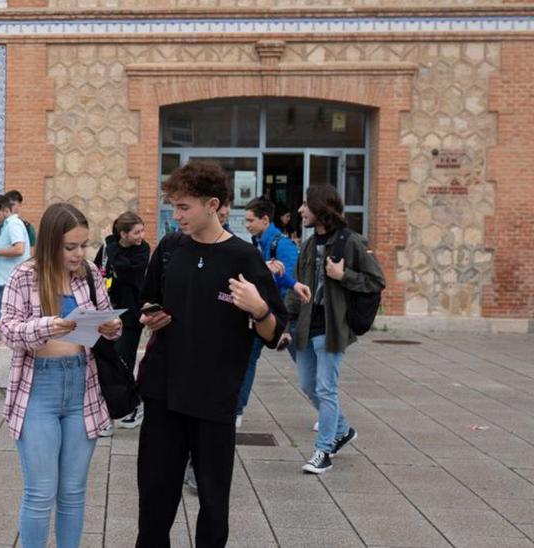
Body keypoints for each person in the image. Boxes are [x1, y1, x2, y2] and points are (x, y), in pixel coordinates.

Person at [134, 161, 286, 547]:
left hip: (214, 398)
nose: (176, 215)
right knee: (154, 501)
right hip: (164, 392)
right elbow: (147, 300)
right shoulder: (170, 249)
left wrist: (258, 308)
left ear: (212, 204)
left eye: (184, 207)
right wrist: (151, 316)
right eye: (173, 206)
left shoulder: (243, 258)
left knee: (214, 504)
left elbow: (274, 333)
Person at [0, 203, 122, 548]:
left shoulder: (91, 274)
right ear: (52, 243)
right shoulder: (25, 275)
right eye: (70, 247)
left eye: (83, 245)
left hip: (83, 384)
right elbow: (6, 331)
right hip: (39, 387)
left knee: (73, 491)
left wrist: (112, 326)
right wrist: (48, 326)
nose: (79, 254)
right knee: (40, 492)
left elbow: (105, 328)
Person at [287, 184, 385, 474]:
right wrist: (286, 322)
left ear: (320, 209)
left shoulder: (350, 242)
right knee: (308, 384)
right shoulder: (307, 244)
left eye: (305, 205)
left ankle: (323, 450)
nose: (300, 210)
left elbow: (376, 281)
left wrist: (344, 276)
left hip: (332, 328)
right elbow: (297, 287)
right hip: (305, 326)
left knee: (326, 388)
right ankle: (342, 430)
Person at [238, 197, 306, 428]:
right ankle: (237, 410)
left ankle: (331, 415)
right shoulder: (259, 242)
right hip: (261, 313)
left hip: (278, 317)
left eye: (250, 220)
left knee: (307, 367)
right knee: (248, 359)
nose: (247, 225)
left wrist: (284, 327)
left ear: (265, 220)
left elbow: (291, 285)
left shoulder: (281, 245)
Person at [92, 212, 150, 429]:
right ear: (123, 234)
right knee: (106, 363)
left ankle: (134, 405)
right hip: (107, 313)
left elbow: (126, 272)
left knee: (123, 363)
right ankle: (107, 411)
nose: (141, 235)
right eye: (137, 232)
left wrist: (110, 243)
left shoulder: (142, 249)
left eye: (142, 230)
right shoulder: (109, 249)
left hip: (130, 317)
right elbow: (99, 271)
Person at [0, 195, 30, 342]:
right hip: (6, 280)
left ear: (6, 210)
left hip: (7, 281)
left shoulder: (13, 224)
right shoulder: (8, 225)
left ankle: (6, 351)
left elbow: (19, 249)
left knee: (0, 321)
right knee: (0, 321)